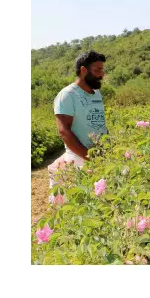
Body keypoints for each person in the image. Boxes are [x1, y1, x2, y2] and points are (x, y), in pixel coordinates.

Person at [49, 51, 109, 193]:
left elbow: (99, 122)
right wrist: (90, 156)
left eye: (102, 70)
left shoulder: (96, 93)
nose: (102, 74)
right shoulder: (68, 95)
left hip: (101, 156)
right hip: (80, 160)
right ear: (83, 70)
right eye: (97, 70)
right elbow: (64, 131)